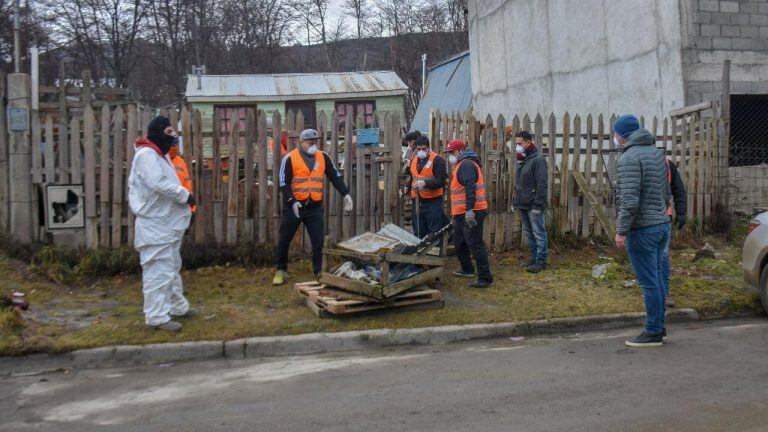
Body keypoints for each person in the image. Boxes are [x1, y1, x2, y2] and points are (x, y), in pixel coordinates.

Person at [128, 116, 196, 332]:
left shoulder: (159, 154)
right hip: (155, 227)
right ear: (158, 132)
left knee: (171, 267)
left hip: (167, 225)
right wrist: (184, 195)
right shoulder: (147, 155)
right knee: (158, 271)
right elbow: (158, 183)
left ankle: (177, 306)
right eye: (168, 132)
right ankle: (156, 317)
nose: (173, 137)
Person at [613, 115, 672, 347]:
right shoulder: (655, 153)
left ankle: (653, 331)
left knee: (649, 283)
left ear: (623, 134)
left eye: (615, 133)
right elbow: (665, 190)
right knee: (657, 279)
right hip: (661, 224)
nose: (614, 137)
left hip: (643, 229)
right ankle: (660, 326)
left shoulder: (630, 157)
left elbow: (629, 201)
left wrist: (621, 231)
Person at [274, 129, 353, 285]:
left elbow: (335, 176)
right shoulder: (289, 158)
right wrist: (291, 200)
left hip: (314, 207)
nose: (313, 144)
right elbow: (283, 183)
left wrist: (346, 194)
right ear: (301, 142)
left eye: (315, 142)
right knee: (284, 238)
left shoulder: (323, 157)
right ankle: (281, 269)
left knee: (318, 241)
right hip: (294, 206)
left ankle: (318, 272)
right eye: (310, 142)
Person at [444, 138, 493, 288]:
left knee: (475, 243)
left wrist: (469, 210)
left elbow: (470, 188)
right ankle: (467, 269)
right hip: (462, 212)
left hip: (472, 211)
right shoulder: (462, 165)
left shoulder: (465, 165)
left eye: (452, 153)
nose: (450, 156)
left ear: (459, 151)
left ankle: (485, 278)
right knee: (459, 242)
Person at [512, 131, 549, 273]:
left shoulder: (537, 160)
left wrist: (538, 204)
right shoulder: (523, 160)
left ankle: (541, 261)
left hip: (534, 204)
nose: (517, 147)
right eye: (516, 144)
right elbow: (521, 183)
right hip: (523, 202)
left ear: (528, 142)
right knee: (529, 232)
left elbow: (542, 183)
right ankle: (533, 259)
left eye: (520, 143)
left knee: (539, 232)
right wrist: (516, 200)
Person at [406, 136, 448, 238]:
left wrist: (425, 183)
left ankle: (433, 252)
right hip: (417, 200)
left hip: (432, 201)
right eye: (418, 149)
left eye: (423, 149)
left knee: (434, 230)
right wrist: (407, 186)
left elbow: (441, 181)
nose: (421, 152)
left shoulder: (437, 160)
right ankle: (421, 251)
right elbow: (413, 176)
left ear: (428, 148)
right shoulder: (414, 159)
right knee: (418, 229)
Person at [168, 138, 196, 215]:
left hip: (180, 208)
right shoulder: (158, 160)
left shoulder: (180, 161)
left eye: (176, 145)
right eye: (172, 145)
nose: (175, 147)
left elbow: (187, 185)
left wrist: (192, 210)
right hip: (164, 211)